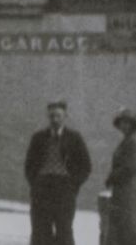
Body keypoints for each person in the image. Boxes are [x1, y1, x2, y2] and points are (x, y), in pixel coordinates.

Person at [24, 100, 92, 245]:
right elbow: (29, 165)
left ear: (65, 116)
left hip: (64, 190)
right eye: (52, 116)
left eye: (58, 116)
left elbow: (85, 166)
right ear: (48, 117)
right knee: (40, 230)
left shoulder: (74, 138)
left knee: (64, 230)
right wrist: (35, 184)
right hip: (42, 189)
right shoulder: (39, 138)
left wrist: (73, 185)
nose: (55, 119)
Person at [104, 109, 136, 245]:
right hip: (121, 192)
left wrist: (112, 177)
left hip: (128, 193)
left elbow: (130, 168)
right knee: (121, 231)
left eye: (127, 123)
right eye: (122, 123)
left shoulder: (134, 142)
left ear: (133, 124)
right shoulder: (127, 140)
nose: (123, 126)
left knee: (129, 230)